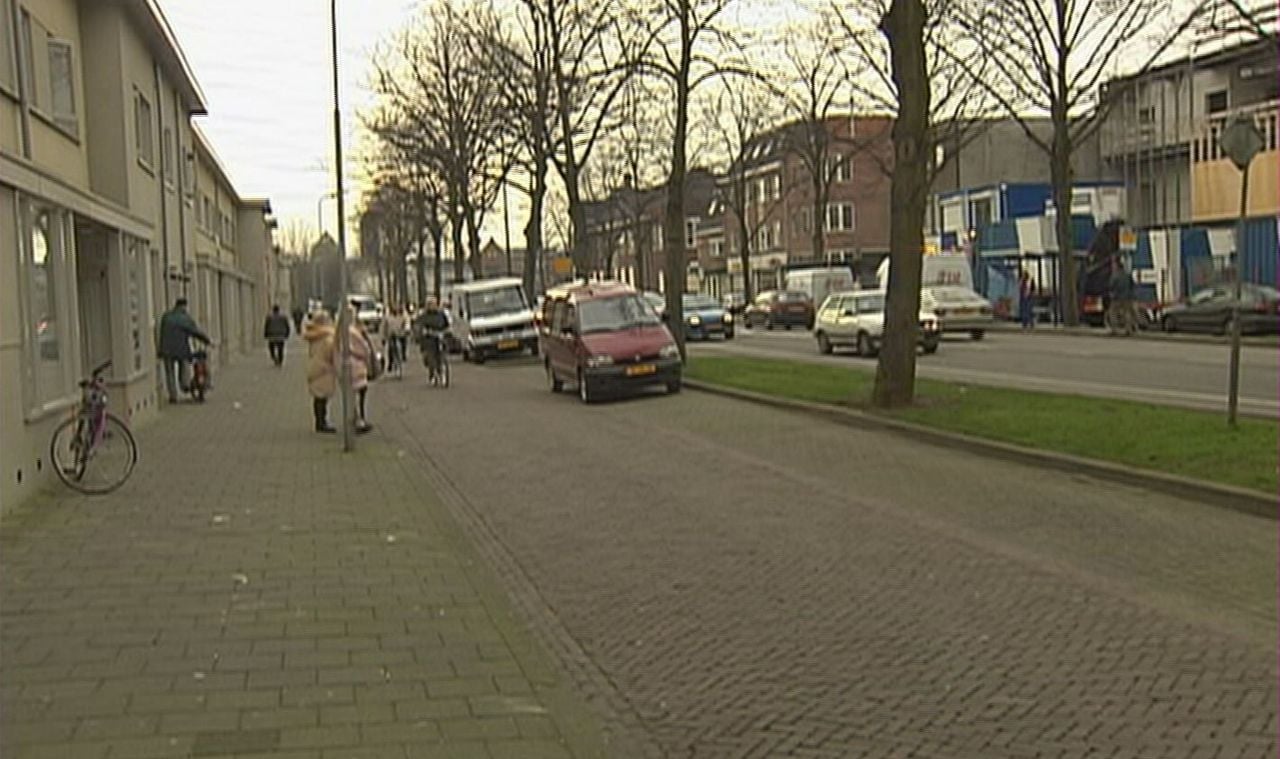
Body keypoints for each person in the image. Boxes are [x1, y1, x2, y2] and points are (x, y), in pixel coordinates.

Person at [157, 297, 211, 403]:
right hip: (181, 349)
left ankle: (173, 396)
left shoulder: (166, 316)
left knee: (170, 373)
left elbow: (161, 333)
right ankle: (184, 385)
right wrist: (206, 340)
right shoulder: (185, 318)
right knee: (184, 367)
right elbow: (195, 331)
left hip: (166, 349)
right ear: (184, 306)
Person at [304, 311, 338, 433]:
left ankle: (319, 421)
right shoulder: (327, 336)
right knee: (323, 397)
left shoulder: (313, 334)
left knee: (318, 397)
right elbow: (331, 351)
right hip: (325, 368)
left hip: (314, 365)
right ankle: (322, 423)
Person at [414, 297, 450, 379]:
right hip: (429, 338)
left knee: (442, 350)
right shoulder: (423, 316)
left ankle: (442, 365)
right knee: (430, 356)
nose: (433, 306)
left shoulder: (441, 314)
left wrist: (447, 330)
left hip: (440, 336)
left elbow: (446, 324)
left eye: (434, 304)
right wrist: (423, 331)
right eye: (431, 304)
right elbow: (418, 325)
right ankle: (432, 371)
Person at [382, 305, 409, 373]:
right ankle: (390, 363)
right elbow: (384, 326)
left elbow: (407, 323)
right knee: (390, 349)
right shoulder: (387, 317)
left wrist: (406, 330)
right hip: (391, 335)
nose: (395, 309)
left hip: (400, 334)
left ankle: (403, 355)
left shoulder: (403, 315)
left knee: (404, 343)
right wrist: (384, 337)